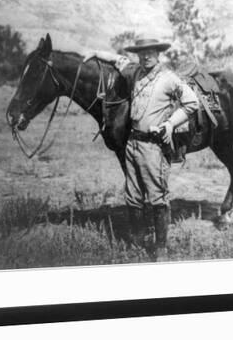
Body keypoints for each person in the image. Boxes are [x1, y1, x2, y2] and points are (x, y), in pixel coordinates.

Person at [83, 39, 198, 261]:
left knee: (157, 197)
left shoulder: (168, 78)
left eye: (151, 53)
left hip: (153, 146)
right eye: (142, 53)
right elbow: (118, 60)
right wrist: (95, 51)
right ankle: (137, 240)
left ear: (159, 54)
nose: (146, 57)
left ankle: (161, 248)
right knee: (133, 196)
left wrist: (171, 124)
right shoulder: (135, 72)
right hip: (132, 143)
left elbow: (191, 102)